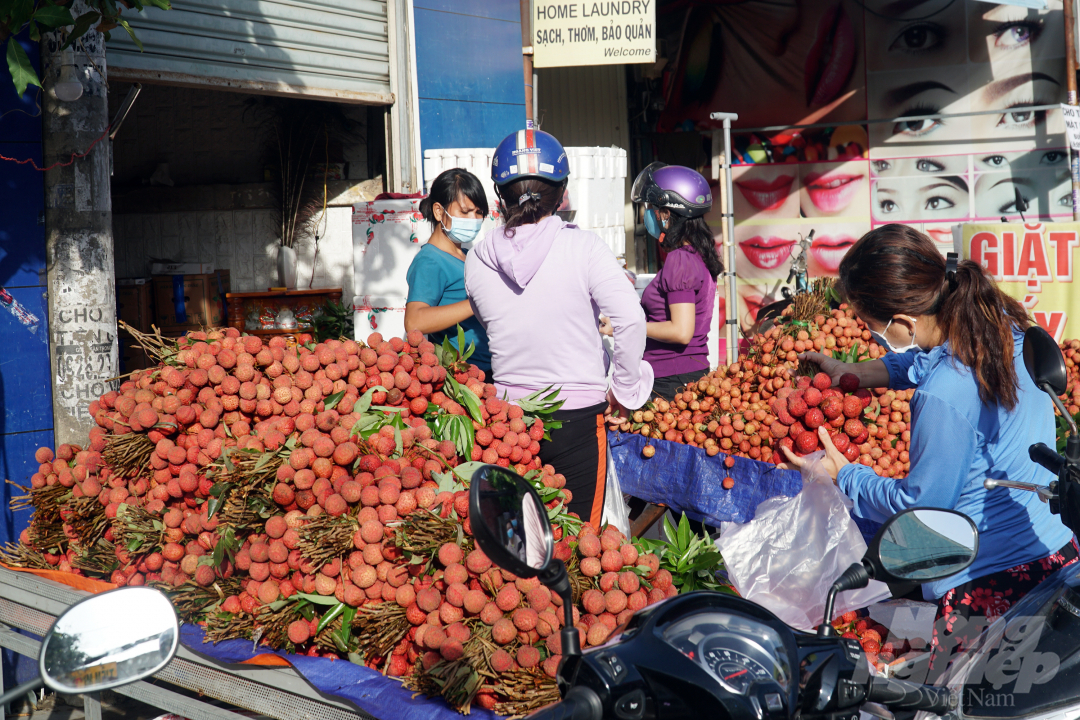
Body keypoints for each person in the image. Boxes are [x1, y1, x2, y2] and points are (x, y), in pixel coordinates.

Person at [783, 223, 1073, 673]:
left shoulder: (942, 394)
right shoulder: (998, 320)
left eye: (871, 325)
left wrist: (844, 475)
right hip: (1058, 554)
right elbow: (930, 357)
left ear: (901, 322)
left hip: (993, 584)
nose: (874, 334)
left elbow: (920, 508)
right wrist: (856, 371)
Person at [465, 128, 653, 528]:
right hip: (579, 421)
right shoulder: (585, 247)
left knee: (520, 544)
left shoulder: (478, 258)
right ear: (562, 191)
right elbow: (631, 320)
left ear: (500, 197)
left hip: (510, 421)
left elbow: (489, 323)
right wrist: (623, 389)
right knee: (579, 544)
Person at [601, 163, 722, 402]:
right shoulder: (700, 254)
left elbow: (680, 331)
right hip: (688, 375)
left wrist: (625, 327)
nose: (648, 214)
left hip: (670, 382)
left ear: (666, 213)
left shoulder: (680, 259)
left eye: (652, 208)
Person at [405, 168, 492, 375]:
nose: (473, 219)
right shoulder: (430, 261)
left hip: (490, 367)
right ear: (438, 211)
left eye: (478, 212)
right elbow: (414, 321)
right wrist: (477, 302)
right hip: (465, 375)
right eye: (464, 212)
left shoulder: (468, 254)